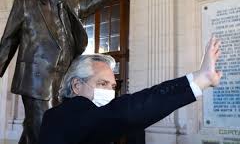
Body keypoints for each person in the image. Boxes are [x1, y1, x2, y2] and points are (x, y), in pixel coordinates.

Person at [0, 0, 146, 144]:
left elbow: (95, 1)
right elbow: (8, 41)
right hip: (36, 81)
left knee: (38, 129)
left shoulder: (71, 3)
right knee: (45, 129)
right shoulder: (27, 3)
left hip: (65, 81)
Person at [39, 37, 222, 144]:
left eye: (112, 86)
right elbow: (127, 110)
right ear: (77, 86)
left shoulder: (105, 120)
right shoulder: (60, 117)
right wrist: (200, 80)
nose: (110, 92)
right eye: (102, 84)